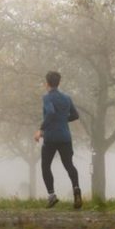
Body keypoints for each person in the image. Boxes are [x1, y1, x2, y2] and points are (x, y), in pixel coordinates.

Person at [34, 70, 82, 209]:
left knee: (45, 165)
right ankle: (76, 189)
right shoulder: (67, 98)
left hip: (51, 137)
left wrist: (41, 129)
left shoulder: (47, 97)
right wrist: (62, 120)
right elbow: (75, 115)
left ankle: (52, 195)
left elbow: (50, 112)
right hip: (65, 137)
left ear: (47, 83)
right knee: (69, 165)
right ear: (58, 82)